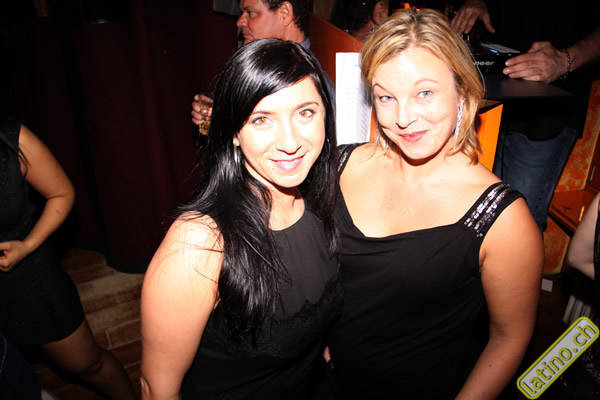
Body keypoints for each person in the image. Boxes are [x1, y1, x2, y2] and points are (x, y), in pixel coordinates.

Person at [327, 9, 543, 399]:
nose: (403, 117)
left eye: (424, 93)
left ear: (463, 91)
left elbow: (509, 339)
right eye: (386, 97)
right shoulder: (341, 165)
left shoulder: (502, 220)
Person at [140, 39, 342, 399]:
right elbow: (157, 388)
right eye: (262, 119)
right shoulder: (199, 244)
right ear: (234, 132)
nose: (290, 142)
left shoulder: (321, 201)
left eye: (305, 113)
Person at [0, 119, 137, 399]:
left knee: (87, 363)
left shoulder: (10, 139)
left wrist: (27, 246)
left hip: (26, 278)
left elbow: (61, 192)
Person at [451, 0, 600, 232]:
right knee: (473, 213)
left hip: (547, 111)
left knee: (519, 223)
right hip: (489, 99)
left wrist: (566, 59)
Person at [191, 0, 335, 133]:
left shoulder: (307, 80)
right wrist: (216, 117)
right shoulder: (271, 67)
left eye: (251, 12)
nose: (240, 22)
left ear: (284, 13)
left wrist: (224, 122)